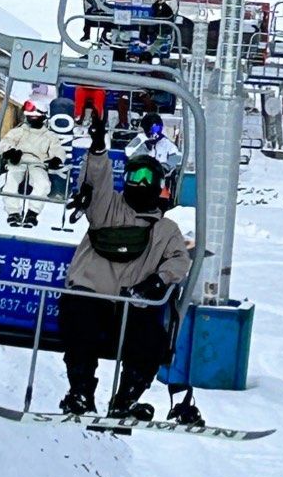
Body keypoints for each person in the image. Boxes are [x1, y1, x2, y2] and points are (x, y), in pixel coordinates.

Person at [57, 121, 192, 421]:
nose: (140, 184)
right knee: (79, 319)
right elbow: (97, 182)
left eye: (147, 178)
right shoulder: (107, 209)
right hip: (90, 296)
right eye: (134, 176)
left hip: (130, 305)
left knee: (150, 338)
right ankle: (80, 391)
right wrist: (97, 149)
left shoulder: (165, 229)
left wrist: (157, 282)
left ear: (159, 187)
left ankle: (126, 399)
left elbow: (180, 260)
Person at [0, 100, 66, 224]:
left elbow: (58, 150)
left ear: (43, 116)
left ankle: (32, 213)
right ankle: (13, 212)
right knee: (10, 183)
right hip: (17, 162)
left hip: (37, 164)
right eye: (30, 116)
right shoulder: (19, 131)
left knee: (43, 184)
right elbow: (4, 143)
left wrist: (57, 159)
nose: (32, 119)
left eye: (35, 116)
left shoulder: (49, 136)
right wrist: (10, 152)